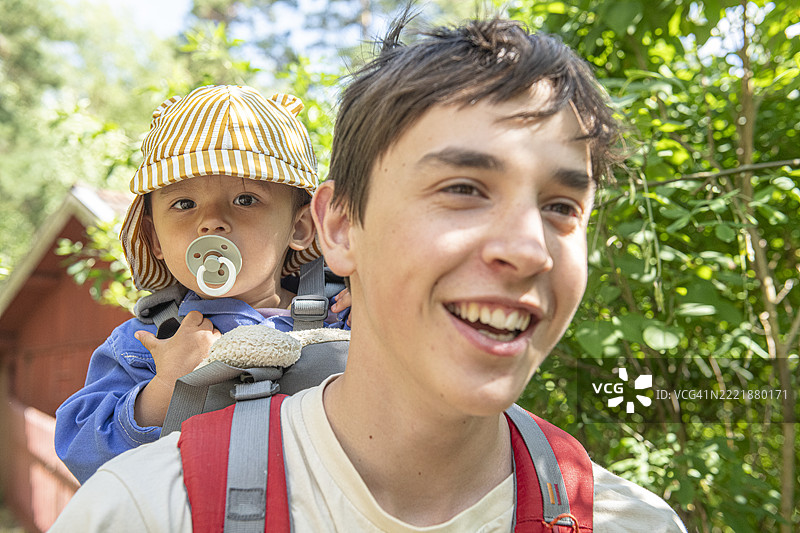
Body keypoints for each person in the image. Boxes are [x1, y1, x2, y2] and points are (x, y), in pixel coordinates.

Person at [50, 17, 687, 532]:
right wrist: (163, 385)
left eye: (560, 207)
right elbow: (82, 442)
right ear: (340, 227)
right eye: (462, 189)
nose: (527, 249)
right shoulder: (147, 388)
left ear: (304, 226)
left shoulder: (617, 518)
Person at [54, 85, 350, 484]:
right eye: (184, 204)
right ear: (155, 239)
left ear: (299, 227)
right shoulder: (145, 342)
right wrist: (164, 388)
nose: (211, 221)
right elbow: (81, 451)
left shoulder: (341, 321)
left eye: (245, 200)